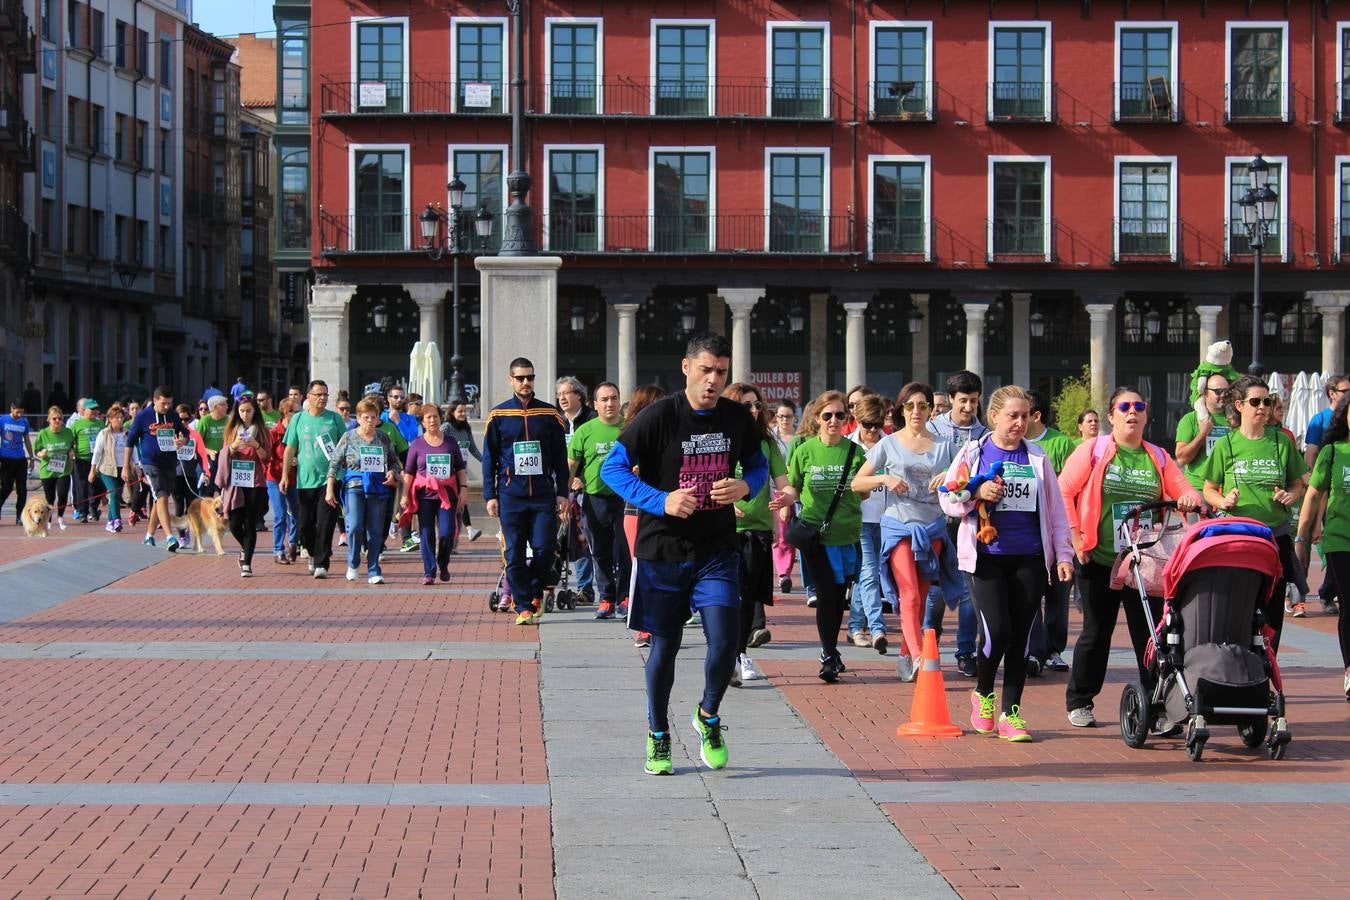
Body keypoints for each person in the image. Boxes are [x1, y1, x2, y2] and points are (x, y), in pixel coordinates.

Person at [599, 332, 765, 775]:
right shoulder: (658, 416)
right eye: (706, 370)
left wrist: (747, 485)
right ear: (687, 367)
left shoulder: (735, 417)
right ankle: (658, 734)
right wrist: (661, 500)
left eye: (722, 372)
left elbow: (760, 462)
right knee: (665, 648)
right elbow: (610, 468)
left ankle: (708, 716)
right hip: (663, 549)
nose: (713, 380)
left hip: (716, 547)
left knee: (728, 640)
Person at [1059, 387, 1201, 728]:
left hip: (1144, 563)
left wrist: (1188, 498)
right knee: (1096, 631)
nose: (1132, 412)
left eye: (1139, 406)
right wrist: (1076, 537)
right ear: (1111, 416)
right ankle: (1080, 701)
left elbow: (1186, 489)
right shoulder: (1092, 451)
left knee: (1151, 635)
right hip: (1101, 558)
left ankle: (1158, 706)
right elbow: (1063, 490)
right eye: (1124, 406)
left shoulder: (1158, 456)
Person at [939, 385, 1074, 742]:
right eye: (1012, 416)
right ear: (994, 416)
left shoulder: (1038, 458)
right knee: (997, 631)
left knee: (1021, 638)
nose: (1019, 423)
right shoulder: (973, 452)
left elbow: (1057, 514)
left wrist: (1063, 554)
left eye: (1025, 416)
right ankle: (983, 693)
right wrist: (976, 494)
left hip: (1029, 556)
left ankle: (1010, 714)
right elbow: (949, 501)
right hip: (987, 558)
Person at [854, 383, 958, 682]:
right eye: (910, 406)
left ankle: (904, 656)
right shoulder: (887, 444)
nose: (916, 411)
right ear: (900, 410)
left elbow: (966, 480)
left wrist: (951, 477)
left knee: (922, 597)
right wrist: (885, 478)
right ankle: (919, 657)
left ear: (930, 409)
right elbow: (857, 483)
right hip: (898, 525)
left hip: (932, 528)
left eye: (923, 405)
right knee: (909, 594)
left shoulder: (944, 446)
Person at [1203, 375, 1306, 638]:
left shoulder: (1281, 441)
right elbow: (1209, 489)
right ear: (1239, 405)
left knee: (1273, 609)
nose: (1263, 407)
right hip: (1238, 535)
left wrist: (1290, 495)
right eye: (1256, 401)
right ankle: (1240, 663)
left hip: (1276, 535)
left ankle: (1268, 665)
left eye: (1267, 401)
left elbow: (1298, 484)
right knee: (1240, 604)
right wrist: (1224, 501)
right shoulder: (1226, 444)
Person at [775, 390, 867, 683]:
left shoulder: (856, 452)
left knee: (838, 598)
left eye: (840, 415)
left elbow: (863, 491)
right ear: (816, 419)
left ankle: (832, 650)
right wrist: (786, 500)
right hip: (815, 536)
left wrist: (870, 485)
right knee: (827, 595)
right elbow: (794, 487)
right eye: (827, 415)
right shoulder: (804, 450)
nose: (834, 421)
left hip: (847, 536)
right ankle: (828, 654)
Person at [483, 358, 570, 625]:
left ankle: (534, 591)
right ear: (511, 380)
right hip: (511, 495)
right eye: (520, 378)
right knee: (514, 553)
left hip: (543, 494)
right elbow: (490, 458)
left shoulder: (549, 414)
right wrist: (490, 495)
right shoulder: (499, 416)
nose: (525, 382)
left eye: (529, 377)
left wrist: (562, 492)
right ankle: (522, 606)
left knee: (545, 548)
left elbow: (559, 456)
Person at [723, 382, 787, 684]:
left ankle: (739, 653)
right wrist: (723, 504)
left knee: (748, 595)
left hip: (758, 528)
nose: (753, 410)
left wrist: (788, 497)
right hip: (723, 529)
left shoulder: (767, 442)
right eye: (746, 405)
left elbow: (783, 481)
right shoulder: (719, 439)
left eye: (756, 405)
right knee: (724, 595)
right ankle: (726, 652)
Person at [927, 370, 989, 678]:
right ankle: (929, 640)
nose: (968, 407)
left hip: (967, 519)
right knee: (935, 587)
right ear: (950, 399)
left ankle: (966, 651)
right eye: (962, 401)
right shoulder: (930, 429)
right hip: (934, 518)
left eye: (974, 401)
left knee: (968, 589)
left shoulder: (983, 435)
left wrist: (957, 476)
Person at [1293, 391, 1350, 701]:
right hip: (1341, 540)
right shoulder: (1333, 452)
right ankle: (1349, 669)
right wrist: (1302, 536)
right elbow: (1313, 495)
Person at [1024, 389, 1079, 674]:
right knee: (1030, 594)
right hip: (1028, 531)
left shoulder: (1060, 443)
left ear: (1036, 415)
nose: (1018, 420)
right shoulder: (1016, 444)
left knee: (1058, 593)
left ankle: (1054, 650)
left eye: (1025, 413)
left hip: (1058, 529)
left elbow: (1072, 485)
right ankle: (1033, 651)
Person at [568, 382, 628, 619]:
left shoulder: (629, 427)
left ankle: (624, 597)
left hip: (625, 500)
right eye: (604, 399)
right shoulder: (586, 431)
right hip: (594, 500)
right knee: (600, 552)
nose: (610, 403)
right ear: (595, 404)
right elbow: (571, 465)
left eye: (613, 398)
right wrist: (563, 497)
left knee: (623, 552)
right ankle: (606, 598)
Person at [328, 399, 402, 584]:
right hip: (355, 484)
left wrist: (393, 472)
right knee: (354, 526)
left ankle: (373, 568)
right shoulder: (349, 436)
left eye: (373, 417)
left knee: (375, 530)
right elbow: (335, 462)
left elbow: (394, 461)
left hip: (378, 486)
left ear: (378, 419)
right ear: (358, 418)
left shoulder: (383, 437)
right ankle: (353, 563)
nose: (369, 420)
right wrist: (330, 488)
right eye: (365, 417)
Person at [281, 380, 347, 579]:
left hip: (331, 480)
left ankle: (321, 563)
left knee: (326, 522)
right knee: (304, 525)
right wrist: (285, 475)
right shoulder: (298, 420)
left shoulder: (335, 419)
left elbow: (345, 446)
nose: (322, 398)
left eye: (325, 395)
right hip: (304, 480)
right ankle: (312, 551)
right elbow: (290, 448)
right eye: (318, 394)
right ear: (307, 397)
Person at [617, 384, 666, 648]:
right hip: (637, 511)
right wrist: (633, 475)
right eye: (656, 405)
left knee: (665, 565)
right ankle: (644, 626)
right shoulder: (631, 436)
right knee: (642, 565)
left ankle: (663, 621)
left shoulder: (671, 433)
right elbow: (614, 472)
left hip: (667, 509)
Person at [845, 393, 891, 653]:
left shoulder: (892, 443)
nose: (873, 431)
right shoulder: (849, 446)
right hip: (860, 519)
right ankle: (877, 628)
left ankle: (854, 626)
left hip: (888, 519)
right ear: (856, 420)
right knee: (869, 573)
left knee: (869, 575)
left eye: (878, 425)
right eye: (867, 425)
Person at [123, 387, 192, 551]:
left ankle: (149, 536)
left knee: (159, 499)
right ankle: (169, 536)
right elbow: (130, 441)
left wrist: (183, 441)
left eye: (169, 403)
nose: (166, 407)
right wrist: (126, 466)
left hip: (169, 463)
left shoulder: (173, 416)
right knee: (161, 497)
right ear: (155, 401)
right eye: (163, 403)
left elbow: (185, 433)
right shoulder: (142, 417)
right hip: (150, 464)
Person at [404, 403, 465, 585]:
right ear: (422, 422)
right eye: (428, 417)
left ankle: (443, 563)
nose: (432, 420)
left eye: (435, 416)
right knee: (426, 532)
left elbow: (460, 467)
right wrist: (405, 495)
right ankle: (429, 571)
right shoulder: (417, 445)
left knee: (447, 532)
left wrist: (464, 489)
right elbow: (409, 472)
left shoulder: (450, 442)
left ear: (440, 418)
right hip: (425, 496)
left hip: (447, 495)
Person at [215, 394, 271, 576]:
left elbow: (266, 457)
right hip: (236, 483)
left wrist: (255, 445)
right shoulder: (232, 430)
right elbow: (224, 454)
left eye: (249, 411)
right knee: (234, 523)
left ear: (255, 412)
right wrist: (233, 446)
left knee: (250, 521)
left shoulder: (262, 431)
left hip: (255, 481)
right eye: (242, 411)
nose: (245, 414)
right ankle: (245, 547)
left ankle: (247, 562)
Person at [557, 375, 597, 601]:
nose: (562, 398)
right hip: (560, 488)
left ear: (579, 395)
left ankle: (585, 588)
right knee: (562, 537)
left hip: (585, 487)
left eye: (566, 393)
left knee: (582, 536)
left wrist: (582, 477)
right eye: (559, 394)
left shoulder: (591, 420)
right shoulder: (556, 421)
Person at [1174, 372, 1231, 492]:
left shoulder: (1235, 418)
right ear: (1205, 392)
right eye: (1218, 391)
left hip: (1228, 489)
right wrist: (1203, 434)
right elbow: (1181, 458)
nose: (1224, 395)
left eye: (1227, 391)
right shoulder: (1190, 419)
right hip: (1198, 488)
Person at [382, 386, 421, 553]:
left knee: (405, 498)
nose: (399, 400)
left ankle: (405, 537)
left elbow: (412, 438)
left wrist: (398, 421)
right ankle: (387, 530)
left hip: (406, 462)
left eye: (401, 397)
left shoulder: (409, 418)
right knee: (386, 501)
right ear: (388, 399)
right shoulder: (381, 417)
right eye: (395, 397)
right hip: (384, 464)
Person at [442, 400, 484, 542]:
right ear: (452, 413)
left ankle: (463, 532)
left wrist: (486, 461)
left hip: (462, 472)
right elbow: (439, 444)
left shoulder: (466, 428)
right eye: (459, 411)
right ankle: (465, 530)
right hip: (448, 473)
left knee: (462, 500)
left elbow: (472, 448)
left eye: (464, 411)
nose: (463, 414)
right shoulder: (446, 428)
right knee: (455, 503)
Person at [266, 398, 300, 564]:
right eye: (294, 411)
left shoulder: (300, 431)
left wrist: (298, 459)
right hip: (275, 477)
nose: (298, 414)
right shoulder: (274, 433)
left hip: (295, 478)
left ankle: (293, 543)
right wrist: (284, 462)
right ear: (285, 413)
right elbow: (266, 457)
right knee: (280, 514)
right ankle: (278, 550)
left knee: (297, 513)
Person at [770, 400, 798, 595]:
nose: (784, 420)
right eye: (780, 416)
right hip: (775, 490)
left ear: (794, 418)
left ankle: (788, 570)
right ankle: (783, 574)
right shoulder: (770, 437)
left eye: (788, 416)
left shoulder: (800, 438)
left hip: (798, 490)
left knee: (794, 533)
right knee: (781, 532)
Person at [33, 406, 76, 530]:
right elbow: (37, 450)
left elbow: (72, 446)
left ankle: (61, 517)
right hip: (48, 470)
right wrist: (41, 454)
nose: (57, 421)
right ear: (49, 420)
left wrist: (71, 451)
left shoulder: (67, 432)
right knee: (50, 497)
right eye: (54, 419)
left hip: (64, 469)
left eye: (60, 419)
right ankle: (49, 520)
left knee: (62, 494)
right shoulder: (43, 433)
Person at [89, 404, 130, 532]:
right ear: (110, 419)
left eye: (121, 417)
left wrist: (135, 465)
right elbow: (97, 452)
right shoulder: (104, 433)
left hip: (121, 469)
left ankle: (110, 522)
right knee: (113, 492)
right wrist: (92, 470)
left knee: (116, 495)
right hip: (106, 469)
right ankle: (117, 520)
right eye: (116, 417)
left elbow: (132, 451)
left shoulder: (127, 433)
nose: (119, 420)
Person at [1303, 374, 1349, 468]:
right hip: (1329, 475)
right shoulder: (1319, 419)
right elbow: (1311, 455)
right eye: (1345, 391)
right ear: (1332, 394)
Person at [1, 399, 34, 525]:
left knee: (22, 489)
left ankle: (19, 515)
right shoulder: (3, 420)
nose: (19, 415)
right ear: (11, 408)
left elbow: (27, 440)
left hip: (20, 459)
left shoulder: (24, 422)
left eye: (21, 413)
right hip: (6, 458)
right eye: (17, 412)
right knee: (6, 487)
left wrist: (31, 457)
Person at [68, 399, 102, 522]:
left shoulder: (100, 424)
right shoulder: (76, 424)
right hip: (81, 459)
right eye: (91, 409)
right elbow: (69, 440)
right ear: (84, 410)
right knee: (81, 486)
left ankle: (93, 506)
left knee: (99, 485)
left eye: (96, 409)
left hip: (97, 460)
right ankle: (83, 512)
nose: (94, 411)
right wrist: (71, 449)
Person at [196, 395, 231, 482]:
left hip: (225, 457)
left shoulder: (229, 420)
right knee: (207, 487)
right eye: (224, 405)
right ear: (216, 407)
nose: (227, 406)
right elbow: (195, 442)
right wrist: (208, 451)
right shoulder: (205, 421)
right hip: (208, 457)